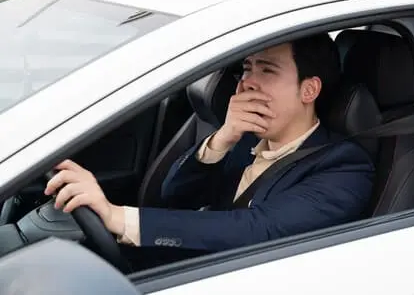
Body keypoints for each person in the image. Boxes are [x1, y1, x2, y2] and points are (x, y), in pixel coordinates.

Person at [44, 33, 374, 253]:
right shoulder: (244, 135)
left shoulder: (344, 167)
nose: (247, 84)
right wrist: (222, 139)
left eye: (267, 70)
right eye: (246, 69)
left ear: (309, 90)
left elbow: (257, 231)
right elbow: (172, 196)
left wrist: (117, 217)